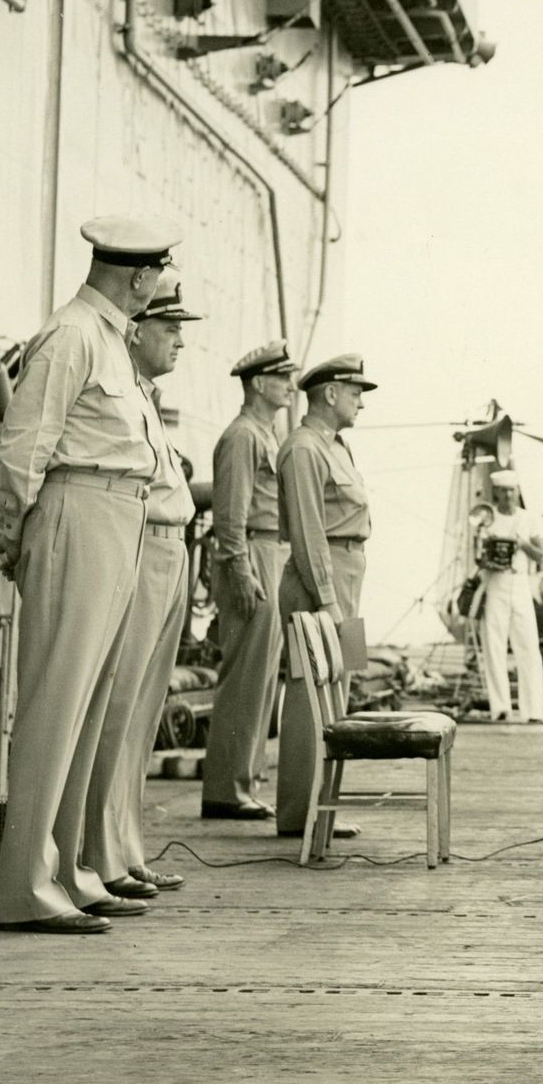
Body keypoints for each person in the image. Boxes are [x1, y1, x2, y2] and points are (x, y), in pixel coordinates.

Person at [0, 216, 175, 933]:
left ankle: (66, 868)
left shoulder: (109, 342)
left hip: (116, 514)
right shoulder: (73, 336)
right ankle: (26, 889)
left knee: (89, 706)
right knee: (55, 704)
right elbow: (24, 443)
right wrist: (24, 533)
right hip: (78, 511)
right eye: (156, 275)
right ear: (138, 277)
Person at [78, 276, 205, 907]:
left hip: (168, 548)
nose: (179, 340)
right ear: (137, 329)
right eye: (170, 327)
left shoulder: (145, 396)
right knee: (120, 706)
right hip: (141, 544)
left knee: (142, 715)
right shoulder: (122, 390)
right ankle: (100, 854)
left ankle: (122, 847)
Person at [273, 353, 378, 839]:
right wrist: (328, 600)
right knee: (309, 696)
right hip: (322, 579)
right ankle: (300, 813)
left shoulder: (338, 447)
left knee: (338, 692)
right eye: (355, 393)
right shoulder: (303, 449)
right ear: (330, 393)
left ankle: (325, 807)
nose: (360, 403)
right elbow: (309, 533)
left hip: (347, 572)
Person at [199, 341, 295, 821]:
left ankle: (243, 782)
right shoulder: (243, 437)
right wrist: (237, 567)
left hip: (269, 551)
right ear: (259, 383)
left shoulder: (265, 435)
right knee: (244, 677)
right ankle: (226, 788)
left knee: (261, 680)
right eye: (281, 378)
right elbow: (230, 512)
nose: (289, 386)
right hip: (252, 552)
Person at [477, 468, 543, 723]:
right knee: (494, 646)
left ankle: (533, 710)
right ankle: (500, 707)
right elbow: (478, 556)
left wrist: (522, 544)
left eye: (512, 491)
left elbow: (541, 555)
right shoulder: (487, 519)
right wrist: (489, 557)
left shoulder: (528, 518)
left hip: (521, 583)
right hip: (495, 583)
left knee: (528, 647)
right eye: (503, 491)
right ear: (496, 493)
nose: (508, 495)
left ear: (517, 492)